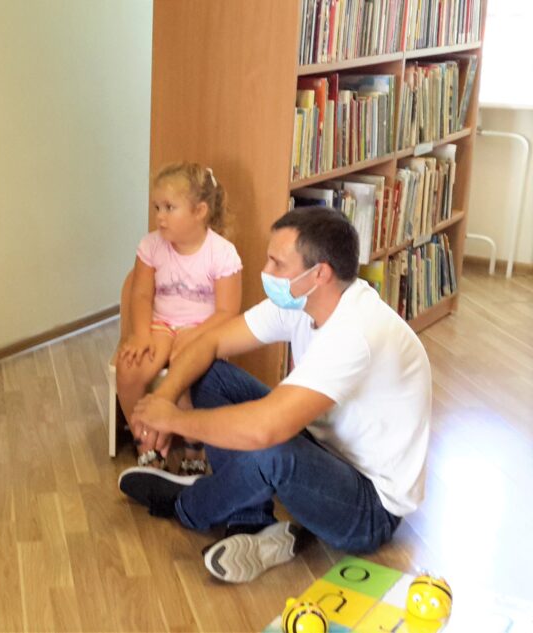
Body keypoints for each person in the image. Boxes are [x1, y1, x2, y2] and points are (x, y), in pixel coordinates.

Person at [117, 207, 431, 584]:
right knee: (210, 375)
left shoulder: (356, 331)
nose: (265, 272)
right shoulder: (305, 300)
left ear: (320, 273)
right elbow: (210, 343)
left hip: (369, 509)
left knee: (271, 448)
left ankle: (190, 505)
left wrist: (174, 421)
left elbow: (266, 429)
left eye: (277, 263)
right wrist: (165, 397)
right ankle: (250, 521)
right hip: (322, 448)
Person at [116, 162, 242, 475]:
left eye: (169, 208)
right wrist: (140, 334)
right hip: (161, 324)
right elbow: (141, 295)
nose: (160, 216)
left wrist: (196, 335)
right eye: (157, 207)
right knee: (129, 368)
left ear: (199, 211)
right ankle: (146, 441)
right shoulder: (150, 246)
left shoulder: (222, 253)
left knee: (188, 370)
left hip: (204, 330)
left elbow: (228, 312)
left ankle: (194, 447)